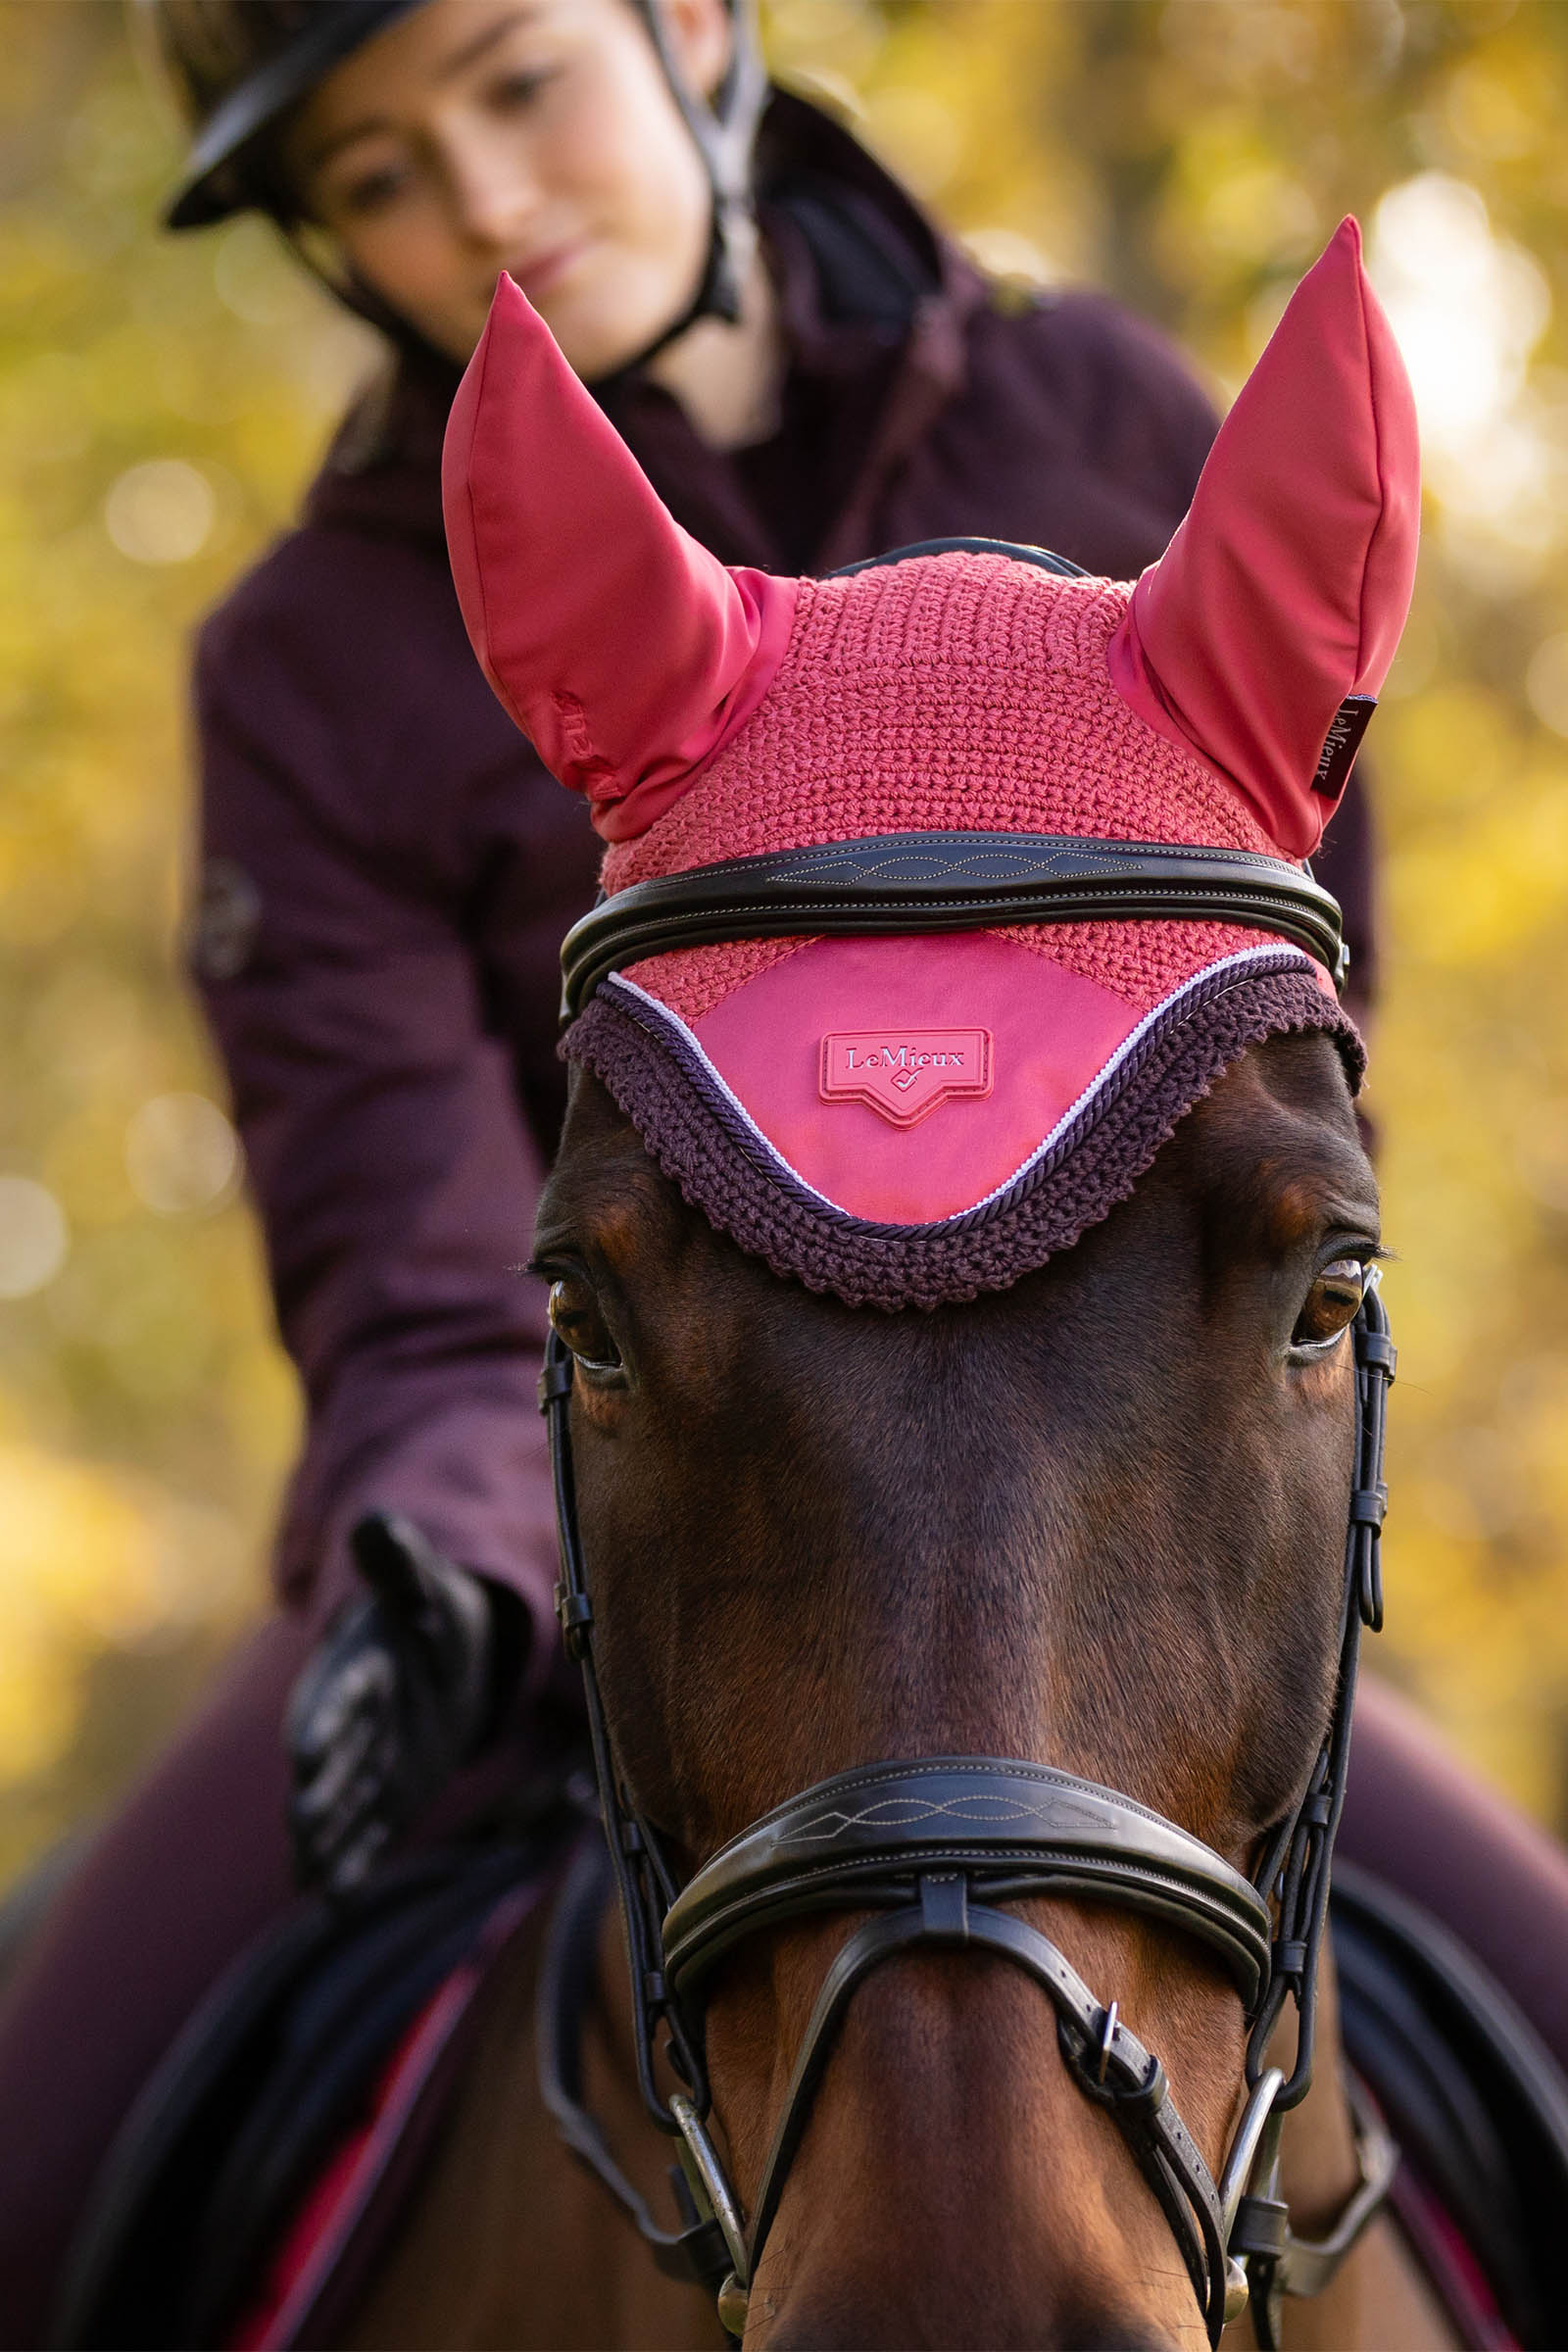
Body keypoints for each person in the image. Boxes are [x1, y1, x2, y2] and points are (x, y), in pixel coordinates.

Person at [0, 1, 1561, 2341]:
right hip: (590, 1513)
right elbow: (415, 1266)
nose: (477, 202)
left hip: (1101, 1543)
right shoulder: (311, 664)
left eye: (515, 84)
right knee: (38, 2146)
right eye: (375, 177)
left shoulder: (1116, 422)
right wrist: (438, 1548)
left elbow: (1305, 1071)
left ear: (694, 27)